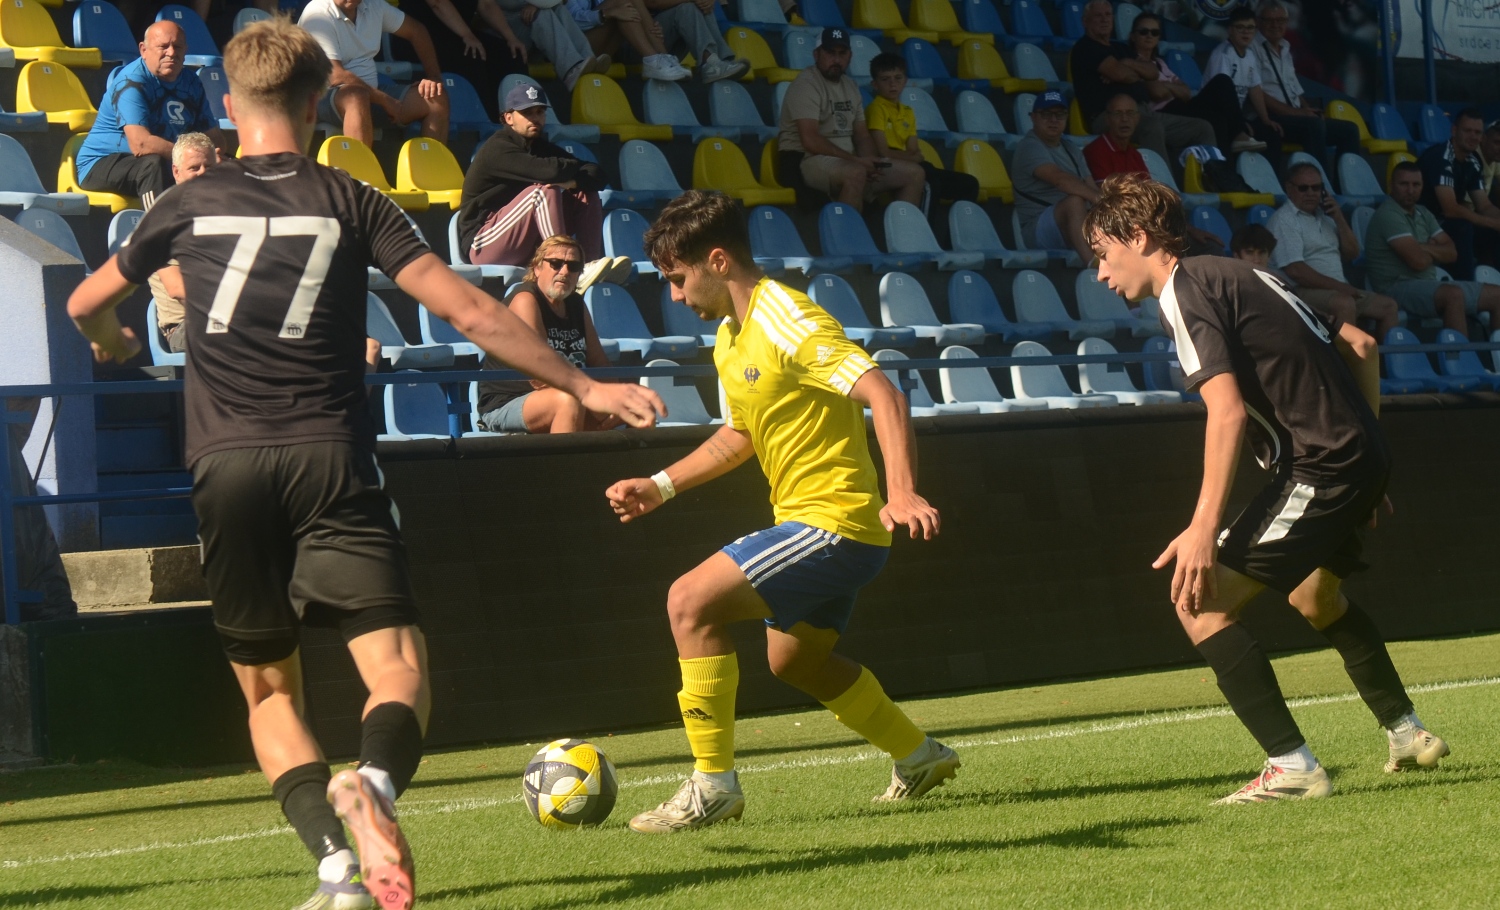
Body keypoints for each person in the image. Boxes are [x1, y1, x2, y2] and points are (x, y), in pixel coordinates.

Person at [66, 19, 665, 910]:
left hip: (226, 468)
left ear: (227, 104)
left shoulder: (185, 204)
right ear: (319, 106)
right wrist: (586, 382)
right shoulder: (352, 197)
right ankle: (376, 786)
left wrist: (113, 338)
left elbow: (86, 301)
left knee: (269, 693)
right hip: (330, 456)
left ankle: (334, 869)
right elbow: (468, 310)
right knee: (396, 667)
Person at [1086, 172, 1449, 804]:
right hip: (1356, 457)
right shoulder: (1247, 274)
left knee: (1198, 604)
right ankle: (1406, 732)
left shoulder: (1185, 291)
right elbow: (1362, 345)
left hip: (1319, 465)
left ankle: (1292, 766)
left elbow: (1226, 413)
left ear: (1137, 237)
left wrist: (1203, 528)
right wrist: (1368, 461)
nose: (1099, 273)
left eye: (1102, 253)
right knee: (1315, 596)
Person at [606, 189, 959, 833]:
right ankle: (919, 755)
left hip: (835, 523)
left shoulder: (788, 317)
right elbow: (739, 435)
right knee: (796, 661)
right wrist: (661, 485)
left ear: (718, 261)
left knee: (689, 602)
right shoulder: (729, 337)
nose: (675, 296)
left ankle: (713, 786)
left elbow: (883, 393)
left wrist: (902, 491)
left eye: (678, 278)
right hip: (817, 526)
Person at [457, 83, 631, 285]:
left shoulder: (539, 146)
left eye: (539, 112)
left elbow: (597, 174)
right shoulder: (498, 148)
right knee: (542, 192)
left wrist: (573, 181)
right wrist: (570, 171)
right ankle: (565, 264)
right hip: (484, 243)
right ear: (508, 118)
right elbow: (551, 172)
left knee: (585, 191)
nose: (535, 118)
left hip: (524, 243)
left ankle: (585, 267)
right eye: (527, 113)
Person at [476, 235, 623, 433]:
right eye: (555, 263)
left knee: (635, 406)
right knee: (567, 401)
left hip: (571, 395)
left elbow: (600, 363)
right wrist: (595, 401)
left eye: (573, 266)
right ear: (537, 268)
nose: (564, 271)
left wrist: (615, 401)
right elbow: (539, 375)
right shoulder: (526, 300)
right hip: (507, 403)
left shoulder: (576, 303)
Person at [76, 21, 224, 210]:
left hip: (166, 158)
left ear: (186, 50)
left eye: (177, 46)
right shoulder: (131, 82)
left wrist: (214, 156)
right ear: (143, 50)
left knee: (225, 166)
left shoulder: (191, 82)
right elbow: (141, 145)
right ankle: (160, 225)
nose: (171, 52)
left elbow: (214, 137)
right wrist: (189, 157)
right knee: (153, 166)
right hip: (102, 163)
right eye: (163, 46)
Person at [778, 28, 924, 213]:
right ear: (816, 54)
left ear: (850, 56)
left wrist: (871, 162)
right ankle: (846, 231)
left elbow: (862, 136)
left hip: (848, 159)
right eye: (830, 53)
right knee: (856, 172)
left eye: (842, 53)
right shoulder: (806, 84)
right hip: (808, 159)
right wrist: (857, 161)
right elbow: (810, 140)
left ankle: (902, 230)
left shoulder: (850, 85)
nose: (836, 60)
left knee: (914, 173)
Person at [1069, 0, 1216, 169]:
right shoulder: (1085, 48)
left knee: (1202, 128)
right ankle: (1162, 183)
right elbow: (1122, 75)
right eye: (1098, 15)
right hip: (1109, 116)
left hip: (1143, 112)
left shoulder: (1121, 49)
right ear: (1085, 21)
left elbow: (1152, 72)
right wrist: (1134, 72)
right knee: (1152, 127)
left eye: (1108, 14)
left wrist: (1125, 63)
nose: (1104, 19)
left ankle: (1213, 178)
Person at [1266, 162, 1399, 340]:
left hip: (1335, 288)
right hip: (1299, 291)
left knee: (1388, 306)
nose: (1311, 193)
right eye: (1303, 188)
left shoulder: (1327, 218)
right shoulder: (1284, 219)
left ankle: (1383, 358)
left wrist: (1339, 218)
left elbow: (1353, 253)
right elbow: (1296, 270)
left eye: (1316, 188)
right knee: (1344, 303)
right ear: (1289, 189)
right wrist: (1341, 287)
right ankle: (1348, 358)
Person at [1365, 161, 1500, 336]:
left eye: (1416, 185)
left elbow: (1452, 253)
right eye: (1404, 184)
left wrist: (1422, 247)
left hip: (1429, 284)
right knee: (1453, 295)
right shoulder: (1388, 214)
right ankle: (1460, 353)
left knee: (1497, 295)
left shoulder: (1423, 212)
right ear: (1392, 185)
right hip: (1395, 287)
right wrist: (1433, 249)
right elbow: (1418, 262)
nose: (1410, 190)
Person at [299, 0, 450, 147]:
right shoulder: (317, 13)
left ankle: (432, 163)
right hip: (320, 98)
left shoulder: (375, 6)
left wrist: (434, 77)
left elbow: (417, 31)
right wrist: (385, 100)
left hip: (370, 95)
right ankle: (360, 165)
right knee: (356, 96)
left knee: (436, 97)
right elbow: (335, 75)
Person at [1125, 11, 1264, 156]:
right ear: (1133, 36)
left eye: (1154, 32)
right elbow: (1158, 93)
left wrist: (1166, 86)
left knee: (1222, 86)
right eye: (1143, 32)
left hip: (1182, 105)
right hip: (1164, 112)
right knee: (1218, 106)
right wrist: (1172, 87)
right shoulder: (1132, 62)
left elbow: (1185, 92)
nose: (1149, 36)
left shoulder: (1160, 63)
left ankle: (1228, 155)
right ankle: (1238, 135)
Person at [1252, 1, 1360, 176]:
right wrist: (1298, 113)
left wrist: (1307, 110)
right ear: (1258, 22)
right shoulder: (1252, 48)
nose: (1275, 25)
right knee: (1313, 126)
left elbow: (1294, 89)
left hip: (1295, 116)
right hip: (1270, 118)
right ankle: (1321, 184)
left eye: (1280, 20)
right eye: (1269, 20)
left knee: (1349, 130)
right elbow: (1258, 94)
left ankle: (1348, 186)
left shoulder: (1285, 47)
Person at [863, 53, 977, 207]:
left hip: (904, 161)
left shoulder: (908, 111)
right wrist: (912, 158)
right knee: (930, 181)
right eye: (885, 79)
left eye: (898, 78)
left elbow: (915, 151)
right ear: (875, 84)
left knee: (970, 183)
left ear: (905, 81)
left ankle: (959, 221)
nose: (892, 84)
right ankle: (922, 222)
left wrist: (913, 157)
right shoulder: (876, 109)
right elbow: (884, 152)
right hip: (885, 165)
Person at [387, 0, 527, 122]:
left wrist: (511, 38)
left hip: (457, 34)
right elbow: (438, 3)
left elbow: (486, 4)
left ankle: (522, 118)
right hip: (419, 39)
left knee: (511, 54)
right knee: (473, 55)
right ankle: (487, 124)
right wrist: (467, 35)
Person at [149, 132, 218, 355]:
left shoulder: (224, 216)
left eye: (209, 166)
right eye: (194, 168)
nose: (203, 173)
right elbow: (177, 288)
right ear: (176, 172)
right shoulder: (163, 220)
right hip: (185, 326)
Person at [1012, 90, 1098, 263]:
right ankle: (1093, 266)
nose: (1053, 120)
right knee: (1074, 201)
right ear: (1033, 117)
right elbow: (1059, 180)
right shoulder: (1029, 146)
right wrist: (1098, 199)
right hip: (1037, 228)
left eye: (1059, 115)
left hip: (1074, 222)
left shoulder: (1071, 148)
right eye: (1046, 114)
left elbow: (1091, 186)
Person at [1418, 107, 1500, 280]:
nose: (1473, 137)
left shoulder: (1473, 161)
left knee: (1490, 230)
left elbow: (1484, 206)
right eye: (1467, 131)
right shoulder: (1441, 157)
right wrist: (1492, 223)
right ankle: (1466, 285)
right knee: (1463, 226)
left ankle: (1493, 280)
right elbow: (1450, 209)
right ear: (1454, 130)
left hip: (1445, 223)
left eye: (1477, 132)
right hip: (1422, 223)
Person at [1204, 5, 1283, 169]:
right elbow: (1221, 94)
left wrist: (1266, 119)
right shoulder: (1223, 54)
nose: (1246, 32)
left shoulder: (1250, 56)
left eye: (1250, 28)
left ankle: (1270, 181)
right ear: (1230, 30)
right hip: (1216, 116)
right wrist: (1239, 124)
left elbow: (1255, 89)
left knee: (1272, 132)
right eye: (1240, 27)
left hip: (1236, 119)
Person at [495, 0, 613, 90]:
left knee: (559, 8)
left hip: (532, 35)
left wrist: (537, 4)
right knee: (542, 12)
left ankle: (588, 58)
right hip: (508, 37)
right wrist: (538, 4)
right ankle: (570, 70)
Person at [566, 0, 692, 81]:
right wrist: (605, 13)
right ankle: (653, 59)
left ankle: (664, 58)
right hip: (579, 49)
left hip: (606, 51)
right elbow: (570, 23)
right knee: (621, 3)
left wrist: (650, 26)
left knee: (628, 6)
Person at [643, 0, 750, 83]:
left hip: (668, 44)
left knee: (702, 6)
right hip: (646, 45)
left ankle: (720, 61)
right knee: (687, 8)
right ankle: (710, 64)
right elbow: (652, 2)